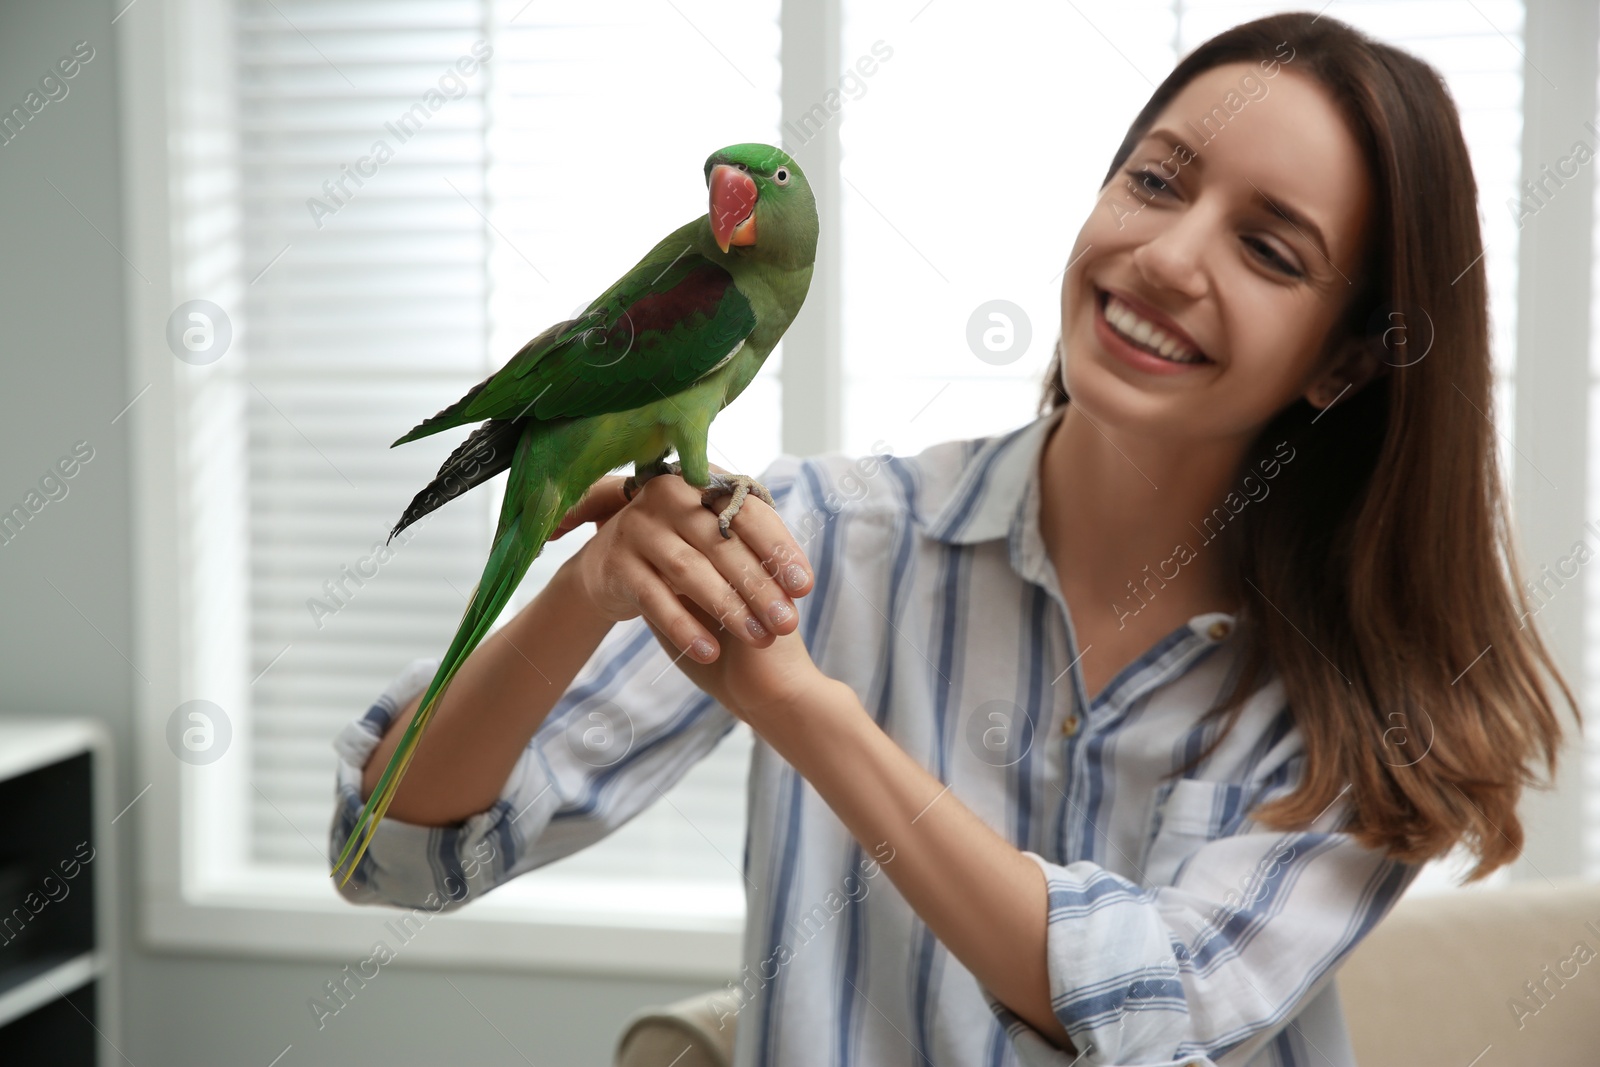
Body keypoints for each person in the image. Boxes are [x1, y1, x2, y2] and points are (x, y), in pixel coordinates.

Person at [328, 12, 1578, 1066]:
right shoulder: (811, 539)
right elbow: (390, 852)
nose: (1167, 255)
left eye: (1266, 248)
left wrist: (803, 708)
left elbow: (1158, 1020)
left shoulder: (1370, 693)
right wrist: (582, 593)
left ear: (1348, 360)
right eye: (1155, 180)